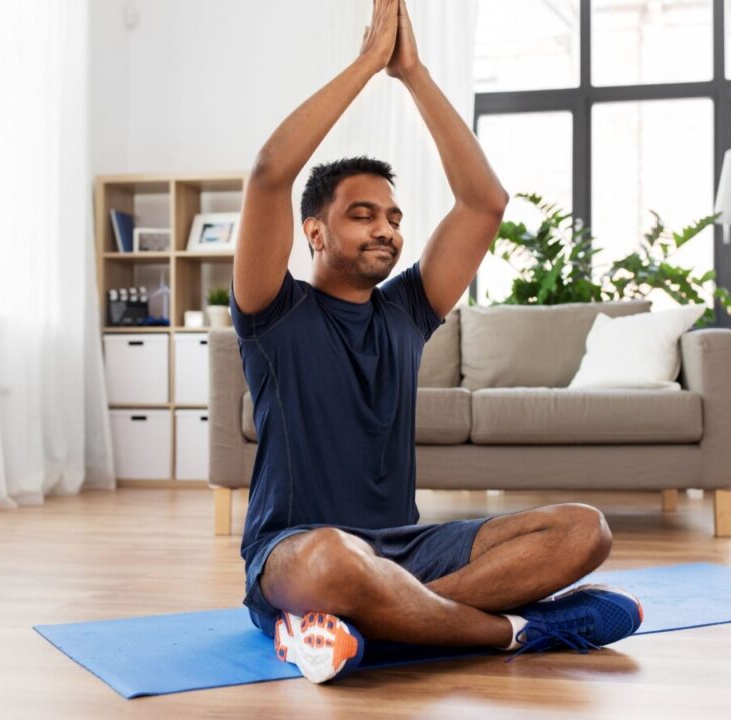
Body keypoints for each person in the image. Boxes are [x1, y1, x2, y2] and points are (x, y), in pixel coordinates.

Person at [230, 0, 641, 684]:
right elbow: (271, 171)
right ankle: (517, 631)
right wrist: (368, 65)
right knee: (338, 560)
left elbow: (485, 202)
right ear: (315, 232)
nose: (386, 228)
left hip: (408, 548)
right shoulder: (274, 313)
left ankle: (366, 632)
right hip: (298, 551)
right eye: (362, 215)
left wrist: (413, 73)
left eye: (393, 217)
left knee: (584, 530)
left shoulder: (406, 311)